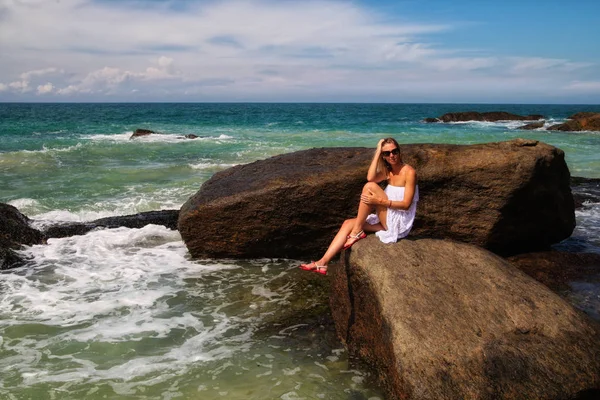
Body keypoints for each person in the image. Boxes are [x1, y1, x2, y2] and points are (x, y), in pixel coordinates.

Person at [300, 138, 419, 275]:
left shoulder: (409, 172)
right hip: (388, 217)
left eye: (394, 151)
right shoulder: (388, 171)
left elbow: (406, 205)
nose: (391, 155)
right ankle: (322, 263)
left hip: (399, 221)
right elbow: (370, 177)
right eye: (386, 153)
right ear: (383, 156)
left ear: (399, 151)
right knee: (347, 223)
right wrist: (377, 152)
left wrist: (379, 201)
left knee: (369, 187)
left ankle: (357, 232)